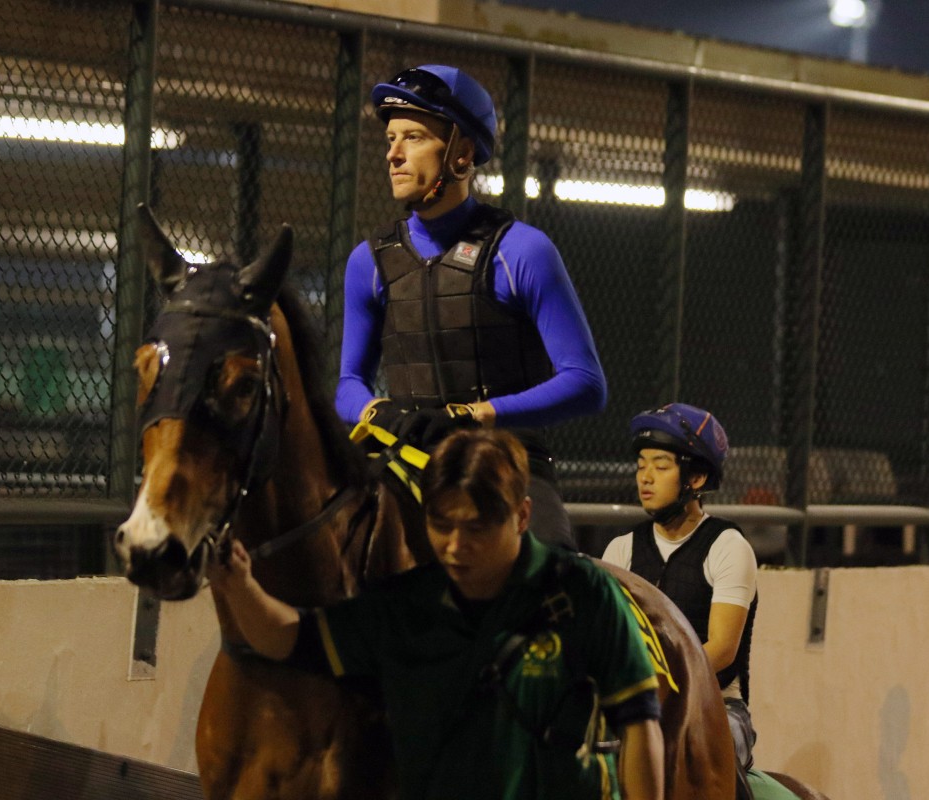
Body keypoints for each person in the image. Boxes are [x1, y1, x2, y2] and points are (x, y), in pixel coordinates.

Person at [216, 429, 665, 800]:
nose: (455, 545)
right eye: (441, 524)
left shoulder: (585, 593)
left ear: (523, 515)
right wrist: (241, 587)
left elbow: (640, 723)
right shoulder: (403, 606)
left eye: (476, 528)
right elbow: (286, 637)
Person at [337, 63, 606, 551]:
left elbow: (587, 384)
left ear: (461, 152)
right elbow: (347, 385)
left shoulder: (523, 251)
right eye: (391, 139)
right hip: (406, 463)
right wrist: (379, 413)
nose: (393, 154)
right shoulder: (367, 261)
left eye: (413, 137)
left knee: (552, 571)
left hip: (507, 464)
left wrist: (472, 415)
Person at [601, 403, 759, 780]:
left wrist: (652, 684)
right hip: (634, 704)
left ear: (697, 478)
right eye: (641, 465)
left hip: (718, 707)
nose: (645, 477)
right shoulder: (620, 550)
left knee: (693, 757)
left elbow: (722, 648)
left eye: (661, 466)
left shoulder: (728, 546)